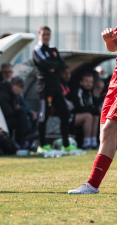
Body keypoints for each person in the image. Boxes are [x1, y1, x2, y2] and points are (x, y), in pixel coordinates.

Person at [68, 27, 117, 194]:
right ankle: (92, 186)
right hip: (114, 83)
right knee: (106, 135)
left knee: (109, 129)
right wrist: (108, 40)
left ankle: (92, 185)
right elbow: (113, 47)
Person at [33, 26, 76, 153]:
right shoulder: (37, 49)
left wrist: (53, 66)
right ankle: (42, 145)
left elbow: (62, 65)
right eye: (43, 34)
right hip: (45, 86)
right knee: (43, 116)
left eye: (48, 34)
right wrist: (52, 66)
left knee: (65, 114)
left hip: (56, 86)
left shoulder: (53, 50)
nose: (46, 36)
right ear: (39, 35)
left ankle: (66, 145)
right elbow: (46, 65)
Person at [0, 77, 32, 148]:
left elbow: (26, 108)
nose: (18, 88)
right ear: (11, 84)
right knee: (20, 115)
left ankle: (22, 143)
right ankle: (26, 136)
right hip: (0, 120)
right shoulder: (4, 93)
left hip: (6, 118)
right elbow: (7, 112)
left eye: (20, 87)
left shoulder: (15, 95)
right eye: (16, 85)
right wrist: (15, 109)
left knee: (24, 115)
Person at [66, 72, 100, 150]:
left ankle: (93, 142)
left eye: (91, 82)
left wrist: (96, 99)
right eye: (87, 81)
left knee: (95, 117)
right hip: (68, 118)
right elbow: (80, 109)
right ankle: (86, 144)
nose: (89, 84)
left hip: (79, 116)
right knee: (88, 116)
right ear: (81, 82)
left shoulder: (89, 92)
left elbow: (92, 107)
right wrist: (95, 110)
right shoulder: (77, 90)